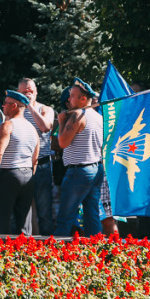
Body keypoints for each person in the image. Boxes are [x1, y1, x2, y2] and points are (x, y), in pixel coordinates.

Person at [53, 79, 104, 237]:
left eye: (73, 95)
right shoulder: (96, 116)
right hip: (95, 169)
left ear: (83, 99)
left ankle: (58, 253)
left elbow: (62, 142)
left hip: (79, 171)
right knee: (92, 216)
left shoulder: (77, 115)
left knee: (65, 217)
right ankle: (96, 249)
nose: (69, 99)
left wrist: (61, 122)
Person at [0, 90, 39, 235]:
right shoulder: (32, 128)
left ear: (14, 106)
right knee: (24, 222)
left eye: (6, 104)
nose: (3, 106)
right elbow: (35, 157)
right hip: (27, 174)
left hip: (9, 174)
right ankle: (25, 252)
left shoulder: (8, 125)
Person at [19, 78, 55, 236]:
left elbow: (45, 127)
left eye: (31, 91)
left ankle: (47, 246)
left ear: (36, 92)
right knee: (21, 211)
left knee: (44, 212)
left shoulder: (45, 109)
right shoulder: (16, 111)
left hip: (42, 166)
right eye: (24, 92)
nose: (28, 94)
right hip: (22, 167)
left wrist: (31, 107)